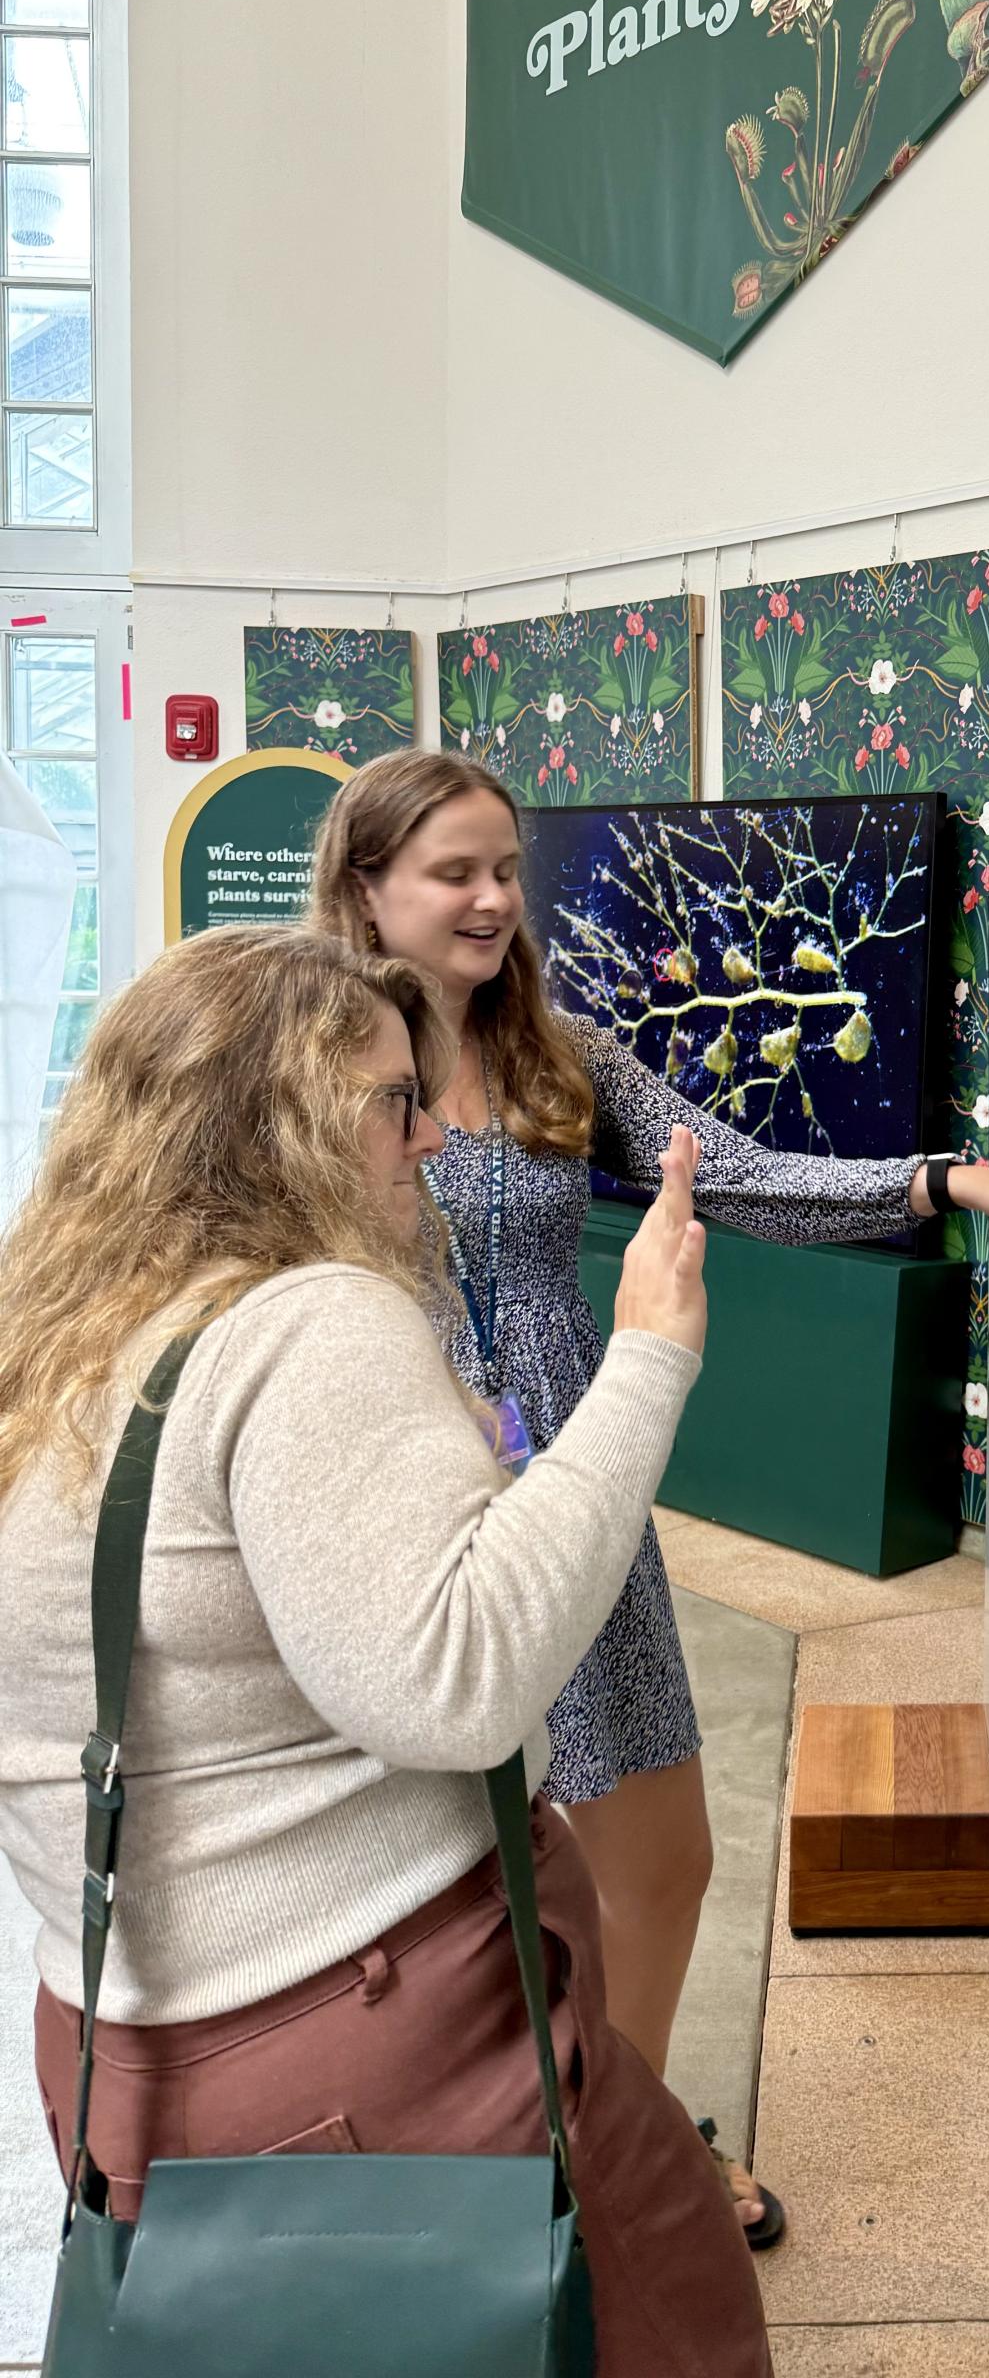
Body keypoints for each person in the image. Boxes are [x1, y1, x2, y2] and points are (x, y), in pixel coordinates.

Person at [310, 748, 989, 2238]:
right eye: (454, 872)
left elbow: (731, 1171)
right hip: (401, 1499)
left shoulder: (557, 1049)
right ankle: (482, 2171)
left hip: (582, 1487)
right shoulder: (301, 1061)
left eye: (506, 869)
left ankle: (625, 2142)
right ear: (365, 887)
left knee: (658, 1857)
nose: (493, 899)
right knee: (440, 1883)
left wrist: (938, 1184)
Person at [0, 925, 770, 2378]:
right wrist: (652, 1351)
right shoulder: (310, 1325)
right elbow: (458, 1679)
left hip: (129, 2050)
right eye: (391, 1103)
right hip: (391, 2048)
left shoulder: (57, 1335)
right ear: (282, 1118)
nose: (425, 1139)